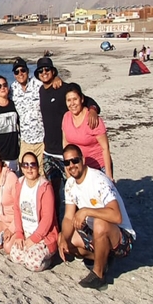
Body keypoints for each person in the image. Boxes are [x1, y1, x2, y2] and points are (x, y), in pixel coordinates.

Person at [58, 145, 135, 289]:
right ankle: (103, 258)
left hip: (121, 236)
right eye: (67, 163)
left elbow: (116, 216)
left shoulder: (98, 180)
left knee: (100, 223)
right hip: (95, 232)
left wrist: (86, 211)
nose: (71, 165)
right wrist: (64, 240)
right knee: (64, 238)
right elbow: (68, 217)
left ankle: (98, 274)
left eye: (75, 160)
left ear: (83, 159)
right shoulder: (70, 184)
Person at [37, 57, 99, 219]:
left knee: (73, 192)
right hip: (48, 152)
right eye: (41, 71)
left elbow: (85, 98)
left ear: (53, 71)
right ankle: (56, 223)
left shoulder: (63, 88)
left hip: (65, 153)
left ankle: (80, 223)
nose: (44, 73)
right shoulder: (41, 91)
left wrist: (92, 109)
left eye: (47, 70)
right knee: (52, 191)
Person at [9, 151, 59, 272]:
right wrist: (19, 233)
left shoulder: (45, 187)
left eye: (32, 165)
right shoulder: (20, 183)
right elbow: (16, 209)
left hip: (43, 235)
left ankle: (50, 259)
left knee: (32, 263)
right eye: (25, 165)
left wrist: (34, 239)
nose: (29, 168)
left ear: (37, 166)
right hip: (26, 232)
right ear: (21, 167)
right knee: (15, 255)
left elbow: (48, 218)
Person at [62, 83, 113, 180]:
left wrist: (108, 175)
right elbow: (65, 145)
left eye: (75, 99)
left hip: (98, 167)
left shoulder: (92, 119)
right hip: (77, 168)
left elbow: (105, 148)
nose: (72, 103)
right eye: (69, 100)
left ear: (82, 99)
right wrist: (68, 173)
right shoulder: (66, 117)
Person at [10, 57, 47, 170]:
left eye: (23, 70)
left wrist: (56, 79)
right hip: (25, 141)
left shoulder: (39, 85)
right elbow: (1, 99)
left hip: (42, 141)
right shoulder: (12, 89)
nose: (20, 74)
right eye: (17, 72)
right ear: (14, 74)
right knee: (25, 171)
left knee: (41, 173)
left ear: (28, 71)